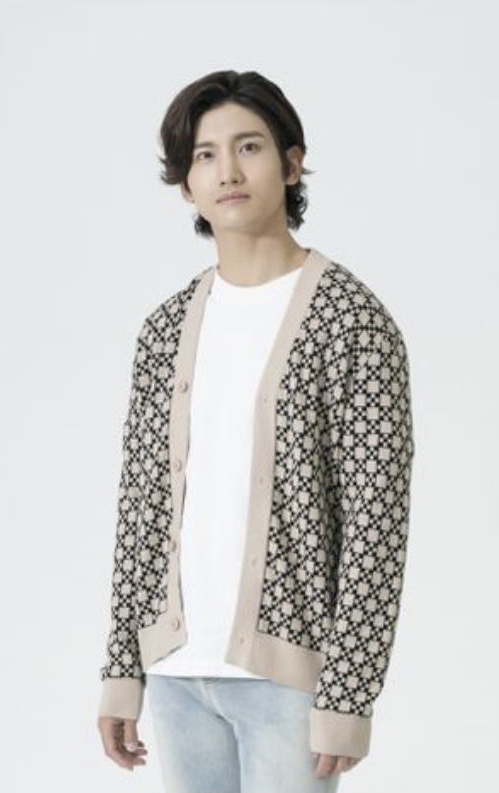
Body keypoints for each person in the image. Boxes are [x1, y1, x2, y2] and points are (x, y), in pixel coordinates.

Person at [96, 69, 416, 793]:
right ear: (186, 184)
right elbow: (140, 508)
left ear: (292, 164)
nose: (228, 172)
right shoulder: (165, 331)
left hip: (291, 681)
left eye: (249, 147)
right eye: (205, 155)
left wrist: (349, 690)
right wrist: (122, 669)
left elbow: (376, 523)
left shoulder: (351, 322)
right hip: (176, 671)